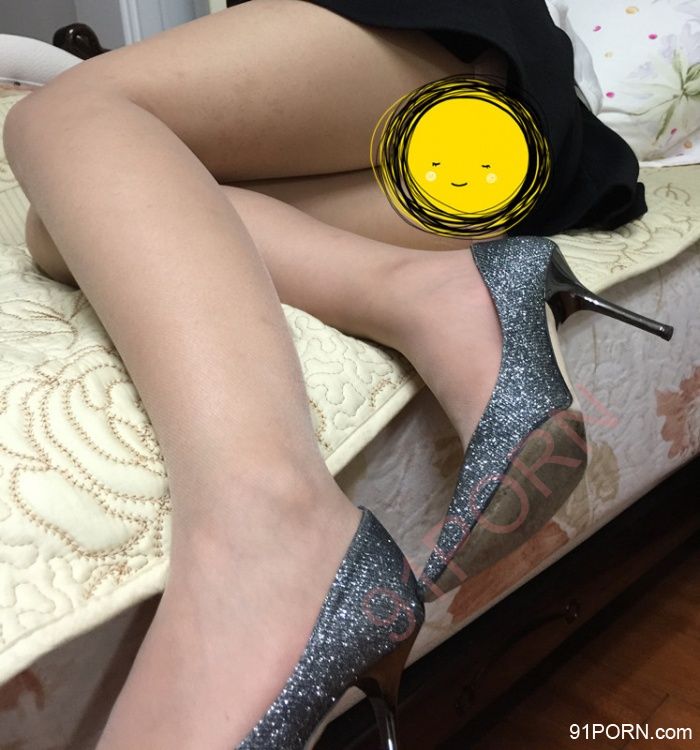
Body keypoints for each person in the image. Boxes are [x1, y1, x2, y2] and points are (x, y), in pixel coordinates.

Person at [3, 1, 663, 747]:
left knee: (63, 114)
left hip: (455, 63)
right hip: (466, 178)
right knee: (67, 220)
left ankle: (267, 524)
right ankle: (434, 293)